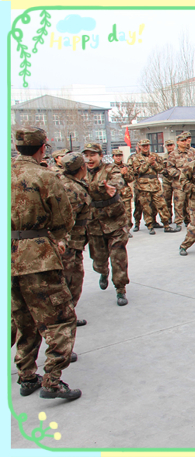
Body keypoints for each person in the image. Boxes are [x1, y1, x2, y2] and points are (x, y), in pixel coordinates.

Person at [11, 127, 81, 400]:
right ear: (43, 147)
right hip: (37, 257)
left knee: (23, 319)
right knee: (60, 319)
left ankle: (27, 376)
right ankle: (52, 379)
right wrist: (58, 239)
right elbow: (64, 218)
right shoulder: (45, 176)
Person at [83, 142, 130, 306]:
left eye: (92, 155)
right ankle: (103, 272)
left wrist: (112, 187)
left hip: (114, 220)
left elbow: (119, 182)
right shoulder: (81, 172)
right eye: (87, 155)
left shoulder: (110, 169)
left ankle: (120, 289)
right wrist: (99, 188)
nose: (89, 159)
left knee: (118, 256)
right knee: (99, 260)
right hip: (94, 222)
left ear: (100, 156)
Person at [58, 153, 92, 328]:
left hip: (72, 243)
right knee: (71, 282)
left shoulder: (63, 181)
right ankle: (65, 320)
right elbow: (65, 221)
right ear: (82, 168)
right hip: (69, 246)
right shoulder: (72, 190)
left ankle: (67, 315)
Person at [130, 139, 174, 235]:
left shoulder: (155, 156)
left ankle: (166, 224)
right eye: (144, 145)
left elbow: (161, 168)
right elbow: (138, 171)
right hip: (143, 186)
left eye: (147, 145)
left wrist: (155, 164)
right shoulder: (136, 158)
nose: (146, 147)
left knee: (162, 205)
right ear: (140, 147)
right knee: (147, 207)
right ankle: (149, 225)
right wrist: (148, 163)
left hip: (155, 184)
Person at [166, 132, 195, 230]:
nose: (184, 143)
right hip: (178, 183)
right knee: (179, 203)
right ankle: (178, 222)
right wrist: (179, 175)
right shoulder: (173, 155)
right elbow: (170, 168)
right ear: (178, 142)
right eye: (182, 141)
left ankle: (189, 220)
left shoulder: (191, 152)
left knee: (190, 202)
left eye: (185, 140)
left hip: (189, 182)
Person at [113, 150, 134, 238]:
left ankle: (127, 229)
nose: (118, 157)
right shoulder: (110, 168)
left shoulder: (126, 166)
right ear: (113, 157)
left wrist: (125, 175)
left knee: (127, 213)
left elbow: (131, 178)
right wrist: (120, 175)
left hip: (125, 192)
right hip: (115, 193)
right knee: (115, 213)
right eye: (116, 155)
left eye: (120, 155)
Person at [161, 139, 176, 225]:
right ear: (166, 147)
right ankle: (168, 217)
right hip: (167, 181)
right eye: (168, 145)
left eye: (171, 145)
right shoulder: (163, 157)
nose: (170, 147)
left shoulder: (177, 155)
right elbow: (160, 168)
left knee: (179, 201)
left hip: (176, 180)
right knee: (166, 200)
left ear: (174, 145)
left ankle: (182, 218)